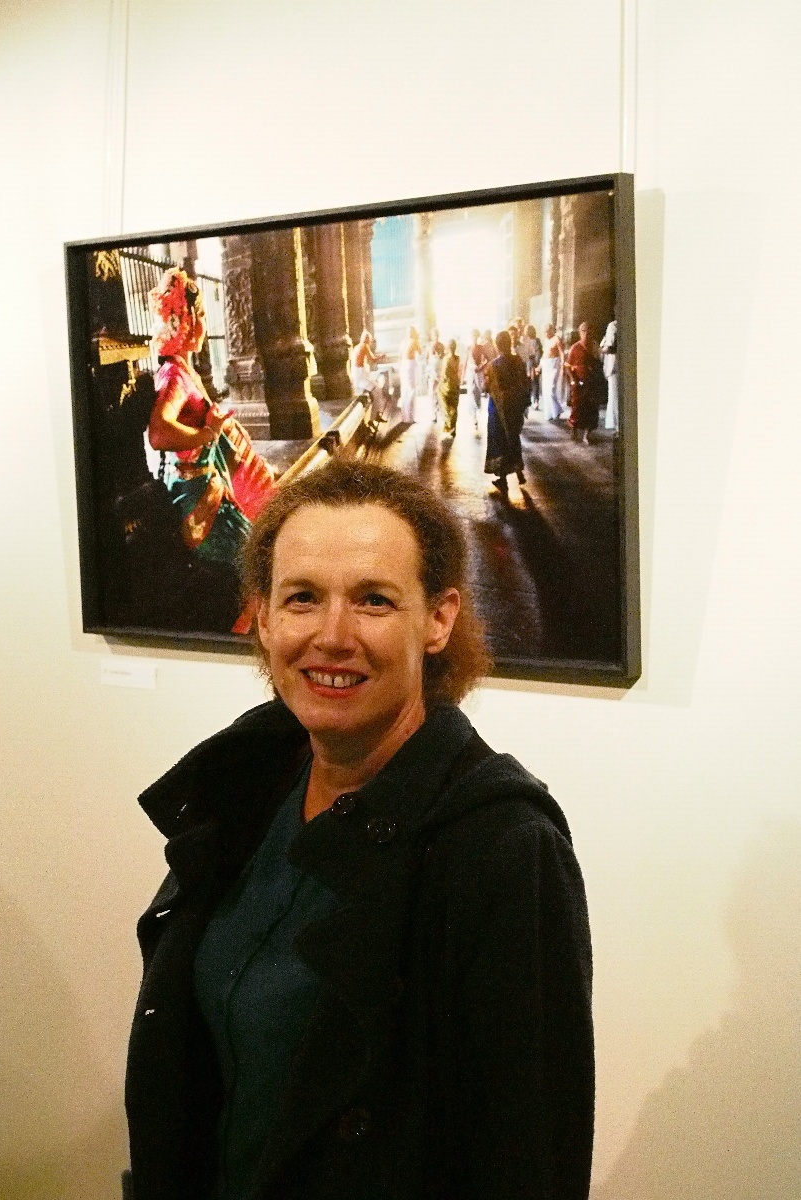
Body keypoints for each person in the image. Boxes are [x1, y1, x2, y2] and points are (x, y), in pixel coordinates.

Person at [125, 458, 594, 1200]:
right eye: (303, 598)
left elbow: (526, 1158)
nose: (332, 636)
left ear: (438, 619)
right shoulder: (244, 790)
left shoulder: (501, 848)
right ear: (265, 617)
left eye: (373, 600)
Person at [147, 267, 275, 571]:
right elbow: (158, 433)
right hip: (203, 502)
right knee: (260, 560)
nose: (204, 324)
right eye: (202, 315)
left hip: (215, 483)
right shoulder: (174, 375)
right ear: (188, 321)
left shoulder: (184, 369)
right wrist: (208, 434)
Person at [484, 330, 531, 497]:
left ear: (497, 345)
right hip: (515, 408)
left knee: (500, 441)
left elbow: (488, 387)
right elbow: (524, 382)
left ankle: (502, 479)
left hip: (498, 410)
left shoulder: (493, 366)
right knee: (513, 438)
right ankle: (519, 472)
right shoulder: (518, 361)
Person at [564, 321, 603, 443]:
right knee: (577, 408)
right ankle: (574, 430)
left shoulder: (595, 347)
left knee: (592, 409)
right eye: (583, 331)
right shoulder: (575, 348)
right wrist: (572, 380)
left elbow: (599, 362)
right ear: (580, 333)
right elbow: (567, 366)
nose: (586, 334)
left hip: (592, 383)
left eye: (588, 331)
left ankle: (588, 434)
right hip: (578, 383)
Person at [539, 322, 566, 420]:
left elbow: (562, 353)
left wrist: (563, 366)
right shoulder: (546, 340)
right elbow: (544, 354)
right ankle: (551, 413)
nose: (545, 334)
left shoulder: (557, 339)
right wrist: (539, 366)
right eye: (544, 332)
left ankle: (557, 411)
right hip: (546, 365)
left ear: (551, 330)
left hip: (554, 364)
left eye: (546, 331)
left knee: (551, 389)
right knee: (546, 390)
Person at [437, 337, 461, 437]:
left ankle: (449, 424)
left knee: (445, 405)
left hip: (447, 385)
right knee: (454, 407)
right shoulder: (458, 358)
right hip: (455, 384)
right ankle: (453, 427)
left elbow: (444, 374)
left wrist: (439, 383)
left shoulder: (446, 359)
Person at [397, 325, 421, 422]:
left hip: (403, 365)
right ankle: (410, 418)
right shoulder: (414, 342)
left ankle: (405, 417)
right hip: (410, 365)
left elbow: (399, 356)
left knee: (405, 390)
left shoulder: (403, 342)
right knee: (412, 390)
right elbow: (420, 352)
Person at [600, 319, 618, 431]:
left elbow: (610, 347)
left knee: (614, 396)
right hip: (617, 366)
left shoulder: (613, 325)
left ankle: (616, 425)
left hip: (614, 366)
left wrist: (600, 349)